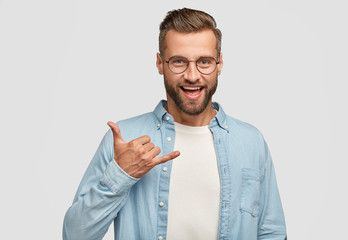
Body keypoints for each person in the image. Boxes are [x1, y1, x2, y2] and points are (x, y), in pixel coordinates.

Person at [63, 8, 287, 240]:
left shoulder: (251, 141)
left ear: (219, 64)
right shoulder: (125, 139)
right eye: (179, 61)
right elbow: (75, 235)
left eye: (204, 62)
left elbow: (272, 232)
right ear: (160, 63)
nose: (192, 75)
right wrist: (121, 175)